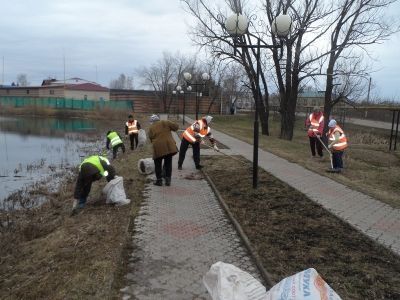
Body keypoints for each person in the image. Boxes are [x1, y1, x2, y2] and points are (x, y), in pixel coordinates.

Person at [148, 114, 179, 186]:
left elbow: (151, 137)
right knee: (168, 163)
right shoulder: (165, 122)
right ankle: (168, 180)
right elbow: (176, 127)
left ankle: (159, 181)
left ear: (152, 121)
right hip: (169, 147)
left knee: (157, 164)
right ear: (158, 119)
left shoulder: (151, 127)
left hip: (158, 148)